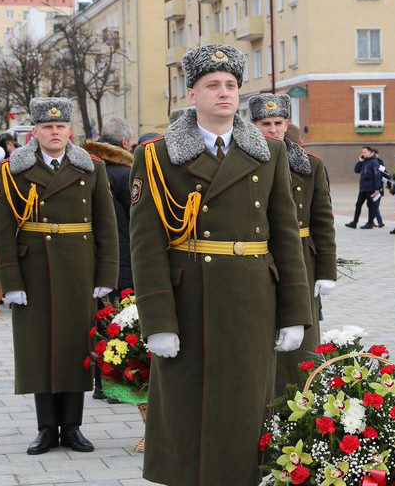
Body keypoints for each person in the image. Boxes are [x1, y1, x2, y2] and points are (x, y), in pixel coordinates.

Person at [129, 44, 311, 486]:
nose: (224, 93)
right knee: (187, 407)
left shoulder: (268, 152)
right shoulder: (156, 154)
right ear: (192, 93)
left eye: (231, 85)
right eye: (213, 85)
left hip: (252, 298)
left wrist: (295, 312)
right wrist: (158, 320)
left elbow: (285, 236)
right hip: (190, 298)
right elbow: (147, 244)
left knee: (249, 404)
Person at [0, 97, 118, 456]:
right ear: (35, 132)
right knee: (39, 347)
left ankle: (74, 427)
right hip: (35, 269)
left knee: (77, 345)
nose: (55, 132)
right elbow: (2, 231)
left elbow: (106, 224)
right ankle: (46, 427)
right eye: (48, 127)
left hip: (79, 266)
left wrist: (106, 271)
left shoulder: (92, 168)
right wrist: (10, 282)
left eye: (60, 127)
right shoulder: (12, 170)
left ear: (70, 131)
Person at [249, 92, 338, 398]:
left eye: (278, 122)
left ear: (287, 124)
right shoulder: (247, 163)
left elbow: (323, 220)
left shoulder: (310, 165)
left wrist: (326, 270)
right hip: (261, 254)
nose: (272, 130)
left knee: (303, 332)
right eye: (265, 123)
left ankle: (301, 398)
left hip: (302, 258)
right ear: (253, 125)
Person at [81, 118, 137, 403]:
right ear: (126, 142)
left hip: (91, 254)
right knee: (121, 321)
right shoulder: (126, 173)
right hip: (123, 255)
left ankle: (99, 382)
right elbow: (136, 218)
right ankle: (116, 384)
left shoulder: (86, 167)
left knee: (101, 319)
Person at [346, 146, 383, 229]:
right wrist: (359, 161)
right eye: (362, 152)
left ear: (370, 152)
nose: (363, 153)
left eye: (365, 152)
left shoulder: (374, 162)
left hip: (371, 188)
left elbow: (377, 175)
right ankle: (354, 222)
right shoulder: (364, 161)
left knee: (370, 205)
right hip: (363, 188)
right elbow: (356, 170)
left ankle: (370, 223)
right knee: (358, 204)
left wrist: (377, 188)